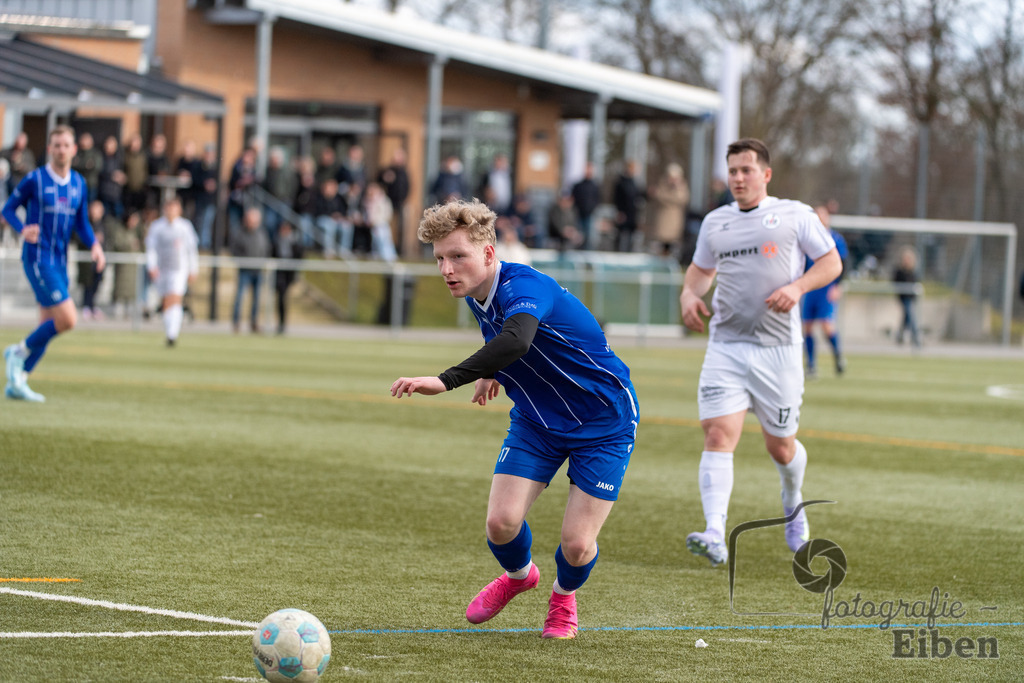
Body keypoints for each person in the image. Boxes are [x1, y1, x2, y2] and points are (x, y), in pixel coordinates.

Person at [390, 199, 639, 639]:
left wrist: (448, 380)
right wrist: (491, 372)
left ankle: (563, 597)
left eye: (457, 256)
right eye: (440, 259)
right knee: (501, 524)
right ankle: (522, 577)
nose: (447, 268)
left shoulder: (524, 283)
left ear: (488, 254)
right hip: (537, 419)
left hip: (604, 420)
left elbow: (518, 338)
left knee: (578, 545)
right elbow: (504, 338)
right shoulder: (476, 291)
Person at [679, 138, 841, 567]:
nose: (738, 178)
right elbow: (700, 271)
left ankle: (793, 503)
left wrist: (797, 286)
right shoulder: (716, 222)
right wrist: (688, 295)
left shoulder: (794, 215)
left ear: (765, 175)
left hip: (778, 352)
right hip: (726, 347)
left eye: (746, 170)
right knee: (718, 434)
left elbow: (831, 262)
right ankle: (715, 532)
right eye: (732, 170)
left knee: (781, 448)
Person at [2, 125, 106, 402]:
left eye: (66, 145)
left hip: (60, 260)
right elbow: (7, 209)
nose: (61, 149)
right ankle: (18, 352)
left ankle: (18, 381)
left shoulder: (78, 184)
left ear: (74, 149)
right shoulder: (35, 179)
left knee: (48, 324)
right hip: (38, 257)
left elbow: (82, 223)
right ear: (49, 149)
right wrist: (22, 228)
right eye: (56, 145)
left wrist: (95, 245)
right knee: (68, 319)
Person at [802, 205, 849, 378]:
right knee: (807, 327)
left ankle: (838, 357)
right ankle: (811, 365)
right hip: (810, 288)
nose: (820, 218)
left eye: (823, 215)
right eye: (817, 215)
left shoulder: (835, 238)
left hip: (827, 288)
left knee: (826, 326)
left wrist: (838, 286)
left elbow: (843, 264)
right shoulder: (807, 238)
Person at [146, 196, 199, 346]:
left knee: (174, 299)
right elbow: (151, 249)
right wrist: (152, 266)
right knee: (166, 301)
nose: (171, 211)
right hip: (162, 269)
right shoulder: (157, 227)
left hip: (178, 269)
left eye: (174, 207)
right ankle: (170, 330)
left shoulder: (185, 227)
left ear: (179, 210)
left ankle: (172, 334)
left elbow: (191, 250)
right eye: (168, 207)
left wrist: (193, 268)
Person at [231, 207, 270, 333]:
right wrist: (242, 261)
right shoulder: (239, 233)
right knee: (239, 297)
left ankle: (254, 322)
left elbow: (266, 249)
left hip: (258, 270)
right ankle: (236, 322)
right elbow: (234, 250)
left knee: (257, 299)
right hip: (245, 270)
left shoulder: (262, 233)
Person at [648, 163, 690, 257]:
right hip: (662, 221)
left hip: (675, 222)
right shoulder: (662, 185)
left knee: (672, 246)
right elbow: (658, 196)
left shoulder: (681, 187)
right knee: (660, 244)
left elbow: (682, 199)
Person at [271, 221, 304, 334]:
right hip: (279, 273)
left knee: (283, 298)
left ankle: (283, 323)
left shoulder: (295, 243)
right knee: (280, 298)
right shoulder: (276, 241)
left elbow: (300, 257)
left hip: (288, 274)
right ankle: (280, 323)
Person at [377, 148, 410, 256]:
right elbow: (379, 181)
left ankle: (400, 249)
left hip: (400, 202)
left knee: (401, 227)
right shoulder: (388, 170)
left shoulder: (404, 172)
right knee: (385, 226)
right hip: (388, 203)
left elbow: (407, 187)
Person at [78, 201, 107, 320]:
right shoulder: (85, 224)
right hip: (87, 262)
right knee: (87, 285)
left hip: (99, 261)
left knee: (96, 284)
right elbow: (78, 237)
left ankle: (93, 306)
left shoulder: (104, 224)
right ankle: (86, 306)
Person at [893, 245, 921, 347]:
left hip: (911, 298)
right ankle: (916, 338)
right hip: (903, 298)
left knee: (906, 318)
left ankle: (900, 336)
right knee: (911, 317)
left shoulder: (913, 271)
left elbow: (916, 283)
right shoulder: (899, 271)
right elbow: (896, 283)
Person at [612, 160, 643, 252]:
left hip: (632, 214)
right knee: (621, 237)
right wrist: (619, 212)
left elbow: (638, 196)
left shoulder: (634, 183)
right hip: (623, 213)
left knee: (631, 237)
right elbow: (616, 198)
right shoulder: (620, 182)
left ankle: (629, 254)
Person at [570, 162, 601, 250]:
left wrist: (592, 209)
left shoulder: (595, 186)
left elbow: (598, 199)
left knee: (590, 238)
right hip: (578, 214)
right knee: (578, 237)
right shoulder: (578, 186)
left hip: (590, 215)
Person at [72, 132, 103, 202]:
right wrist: (86, 166)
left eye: (86, 139)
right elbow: (73, 166)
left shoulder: (96, 153)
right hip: (77, 184)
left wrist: (80, 165)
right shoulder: (77, 153)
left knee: (90, 205)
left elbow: (97, 167)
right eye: (82, 139)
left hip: (91, 185)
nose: (83, 141)